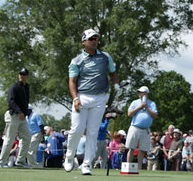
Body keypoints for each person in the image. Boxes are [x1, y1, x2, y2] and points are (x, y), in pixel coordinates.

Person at [63, 29, 119, 175]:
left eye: (96, 38)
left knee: (93, 132)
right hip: (82, 97)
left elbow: (113, 74)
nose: (94, 41)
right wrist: (75, 98)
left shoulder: (106, 57)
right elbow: (72, 82)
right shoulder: (76, 61)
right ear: (84, 42)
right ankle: (69, 157)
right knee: (77, 129)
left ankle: (87, 164)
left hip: (100, 98)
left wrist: (117, 85)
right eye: (91, 39)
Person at [0, 67, 32, 168]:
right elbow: (11, 101)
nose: (22, 76)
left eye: (24, 74)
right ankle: (0, 162)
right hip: (13, 115)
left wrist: (24, 113)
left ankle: (20, 161)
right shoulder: (14, 87)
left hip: (22, 117)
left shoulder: (27, 87)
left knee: (28, 137)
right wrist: (19, 111)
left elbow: (26, 102)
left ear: (27, 76)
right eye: (20, 74)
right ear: (18, 75)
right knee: (9, 139)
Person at [126, 85, 158, 166]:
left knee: (142, 150)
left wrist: (147, 107)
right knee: (131, 148)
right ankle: (128, 166)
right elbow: (129, 113)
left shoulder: (152, 103)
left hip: (145, 129)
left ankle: (139, 168)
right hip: (135, 127)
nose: (139, 93)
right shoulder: (135, 102)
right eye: (139, 92)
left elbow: (155, 115)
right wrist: (140, 106)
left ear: (146, 93)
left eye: (141, 92)